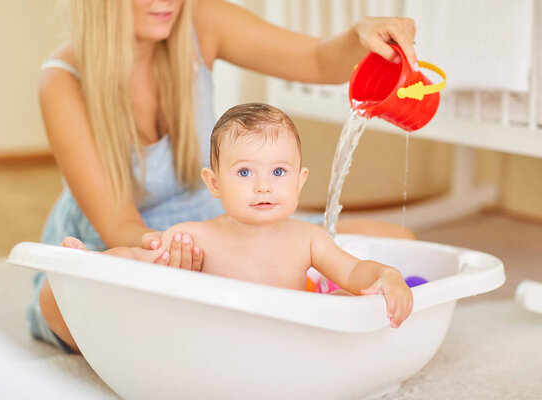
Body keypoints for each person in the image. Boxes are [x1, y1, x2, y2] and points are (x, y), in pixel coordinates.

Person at [29, 0, 417, 353]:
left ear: (298, 179)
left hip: (240, 214)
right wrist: (169, 252)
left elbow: (316, 60)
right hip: (142, 234)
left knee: (397, 243)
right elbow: (120, 228)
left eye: (279, 172)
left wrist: (359, 35)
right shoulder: (64, 80)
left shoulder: (199, 20)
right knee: (58, 299)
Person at [63, 103, 414, 340]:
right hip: (219, 348)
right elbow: (137, 259)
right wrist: (89, 264)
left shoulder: (309, 239)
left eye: (279, 171)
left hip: (287, 346)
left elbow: (354, 273)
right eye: (244, 172)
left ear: (300, 180)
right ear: (214, 183)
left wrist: (389, 277)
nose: (264, 185)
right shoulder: (195, 237)